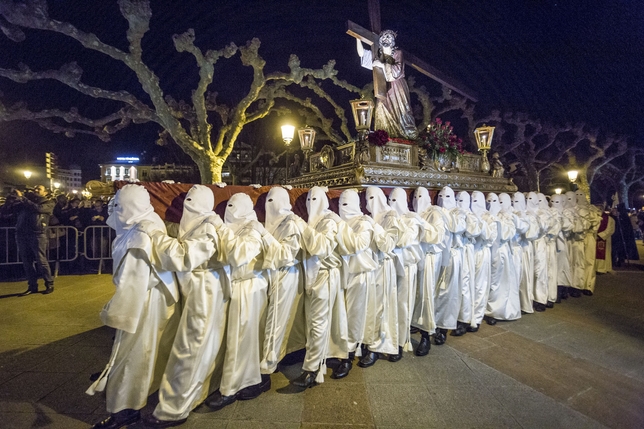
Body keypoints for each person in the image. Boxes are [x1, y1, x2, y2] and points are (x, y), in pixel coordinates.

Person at [87, 185, 180, 429]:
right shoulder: (147, 221)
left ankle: (124, 409)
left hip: (144, 301)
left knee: (131, 355)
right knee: (145, 352)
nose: (114, 210)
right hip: (155, 298)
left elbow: (133, 281)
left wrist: (119, 314)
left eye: (119, 205)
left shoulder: (140, 233)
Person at [139, 185, 229, 427]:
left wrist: (156, 236)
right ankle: (192, 395)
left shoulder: (208, 227)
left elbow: (185, 257)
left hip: (204, 292)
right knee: (196, 347)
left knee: (190, 349)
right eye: (187, 199)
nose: (189, 204)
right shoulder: (196, 224)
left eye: (194, 200)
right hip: (195, 291)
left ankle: (173, 410)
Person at [205, 193, 281, 410]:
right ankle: (250, 380)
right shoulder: (236, 228)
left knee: (242, 339)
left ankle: (233, 387)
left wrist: (219, 229)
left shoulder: (252, 229)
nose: (231, 210)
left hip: (248, 287)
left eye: (234, 206)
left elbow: (239, 255)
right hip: (236, 287)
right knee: (239, 339)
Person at [291, 186, 350, 386]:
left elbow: (321, 247)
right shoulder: (314, 222)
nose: (311, 204)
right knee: (324, 322)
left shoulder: (329, 222)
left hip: (325, 276)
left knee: (318, 323)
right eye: (308, 200)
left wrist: (301, 226)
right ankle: (340, 356)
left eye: (315, 199)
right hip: (315, 277)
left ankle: (311, 369)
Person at [260, 187, 307, 378]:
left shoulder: (290, 223)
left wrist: (264, 237)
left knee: (277, 319)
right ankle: (278, 354)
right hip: (273, 274)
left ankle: (268, 365)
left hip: (286, 274)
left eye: (275, 200)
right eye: (268, 201)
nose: (272, 206)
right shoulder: (270, 222)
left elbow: (286, 255)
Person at [356, 30, 418, 139]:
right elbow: (362, 54)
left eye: (389, 37)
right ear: (380, 41)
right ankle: (383, 137)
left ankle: (405, 136)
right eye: (384, 37)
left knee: (401, 111)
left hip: (397, 86)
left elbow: (396, 71)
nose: (386, 39)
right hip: (383, 89)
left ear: (393, 41)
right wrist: (358, 38)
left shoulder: (397, 53)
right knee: (381, 108)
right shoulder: (378, 56)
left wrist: (381, 64)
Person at [411, 187, 446, 355]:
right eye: (415, 196)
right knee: (414, 294)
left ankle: (426, 334)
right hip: (414, 259)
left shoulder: (435, 214)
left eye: (421, 196)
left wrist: (420, 223)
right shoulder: (411, 213)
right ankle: (414, 324)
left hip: (430, 258)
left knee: (426, 296)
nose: (418, 200)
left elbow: (437, 236)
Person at [434, 186, 466, 344]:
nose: (443, 200)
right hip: (436, 256)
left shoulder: (458, 212)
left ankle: (444, 326)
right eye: (440, 196)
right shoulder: (435, 211)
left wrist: (444, 213)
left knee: (449, 293)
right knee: (434, 291)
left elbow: (457, 227)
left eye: (447, 196)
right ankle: (431, 321)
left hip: (452, 256)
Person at [485, 193, 520, 324]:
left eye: (496, 201)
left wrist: (498, 222)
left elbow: (508, 234)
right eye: (489, 201)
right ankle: (487, 309)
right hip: (487, 251)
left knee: (500, 282)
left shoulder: (505, 217)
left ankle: (497, 311)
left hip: (501, 252)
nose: (492, 204)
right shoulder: (485, 215)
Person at [14, 185, 55, 295]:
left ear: (45, 192)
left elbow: (38, 208)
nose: (36, 190)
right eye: (35, 188)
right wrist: (16, 199)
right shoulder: (26, 201)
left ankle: (49, 283)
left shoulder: (49, 202)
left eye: (39, 189)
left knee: (41, 260)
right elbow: (12, 209)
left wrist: (23, 198)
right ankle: (32, 286)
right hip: (22, 234)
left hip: (37, 234)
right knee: (27, 262)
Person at [469, 191, 497, 330]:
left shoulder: (489, 217)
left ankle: (477, 317)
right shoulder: (467, 214)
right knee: (466, 286)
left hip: (481, 251)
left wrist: (480, 224)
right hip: (468, 252)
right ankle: (465, 317)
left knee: (480, 286)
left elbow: (490, 237)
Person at [512, 192, 540, 313]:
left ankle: (524, 304)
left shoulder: (529, 215)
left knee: (525, 277)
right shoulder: (510, 213)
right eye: (513, 202)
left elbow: (531, 234)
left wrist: (523, 219)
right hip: (512, 250)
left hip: (524, 248)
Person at [526, 192, 548, 312]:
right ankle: (528, 298)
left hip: (539, 243)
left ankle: (540, 299)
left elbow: (545, 227)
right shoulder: (523, 212)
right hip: (528, 244)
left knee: (540, 272)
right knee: (528, 271)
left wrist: (536, 218)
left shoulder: (541, 213)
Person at [596, 208, 616, 274]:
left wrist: (600, 236)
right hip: (593, 239)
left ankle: (603, 268)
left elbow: (611, 229)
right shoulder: (593, 218)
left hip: (604, 239)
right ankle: (595, 267)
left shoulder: (610, 219)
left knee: (604, 253)